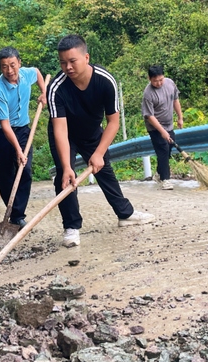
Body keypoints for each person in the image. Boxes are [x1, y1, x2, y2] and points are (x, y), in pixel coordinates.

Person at [48, 34, 154, 248]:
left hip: (91, 131)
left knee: (104, 169)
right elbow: (59, 128)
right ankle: (71, 227)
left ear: (86, 57)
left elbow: (113, 122)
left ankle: (125, 214)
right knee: (64, 176)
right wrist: (68, 166)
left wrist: (97, 154)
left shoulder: (105, 81)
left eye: (72, 61)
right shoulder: (56, 88)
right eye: (62, 62)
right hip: (65, 133)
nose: (67, 67)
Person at [0, 47, 47, 227]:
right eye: (4, 67)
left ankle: (17, 214)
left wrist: (44, 92)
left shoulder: (26, 74)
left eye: (13, 65)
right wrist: (18, 150)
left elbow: (37, 72)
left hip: (22, 129)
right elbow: (5, 126)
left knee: (25, 169)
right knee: (6, 175)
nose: (10, 70)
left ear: (19, 63)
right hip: (1, 133)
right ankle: (13, 214)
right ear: (0, 68)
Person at [141, 65, 184, 190]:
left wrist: (180, 117)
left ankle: (159, 173)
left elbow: (175, 100)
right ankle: (165, 179)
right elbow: (149, 116)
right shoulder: (148, 94)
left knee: (169, 148)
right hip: (155, 127)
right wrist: (162, 132)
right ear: (149, 79)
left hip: (168, 124)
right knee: (163, 149)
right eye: (155, 81)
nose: (159, 83)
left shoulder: (170, 83)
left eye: (161, 80)